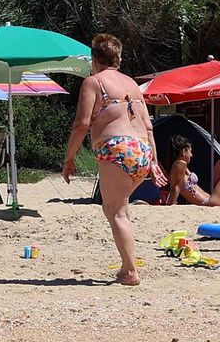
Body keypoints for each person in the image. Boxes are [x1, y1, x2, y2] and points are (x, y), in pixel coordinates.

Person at [63, 34, 161, 286]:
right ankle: (125, 266)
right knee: (121, 209)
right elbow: (148, 127)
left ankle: (130, 271)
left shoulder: (94, 82)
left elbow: (81, 124)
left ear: (94, 58)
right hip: (142, 150)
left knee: (115, 212)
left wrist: (69, 157)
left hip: (116, 148)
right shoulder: (132, 84)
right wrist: (154, 161)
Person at [163, 135, 220, 207]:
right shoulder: (179, 164)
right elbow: (176, 186)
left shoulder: (182, 166)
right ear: (184, 152)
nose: (191, 155)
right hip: (206, 202)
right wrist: (172, 203)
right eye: (190, 151)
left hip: (209, 199)